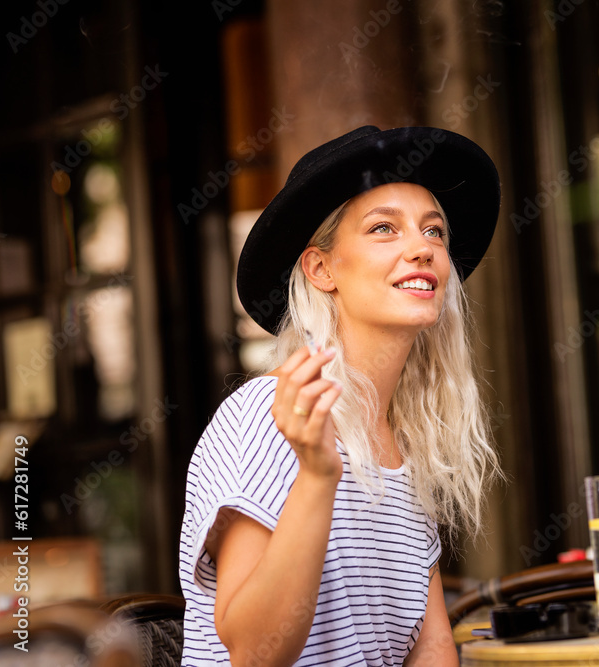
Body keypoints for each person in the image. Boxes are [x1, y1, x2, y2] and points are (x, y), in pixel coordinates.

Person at [178, 126, 504, 666]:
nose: (422, 247)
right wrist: (317, 473)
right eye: (384, 229)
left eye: (435, 232)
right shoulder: (269, 414)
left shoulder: (407, 439)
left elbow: (432, 645)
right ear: (321, 269)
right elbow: (256, 655)